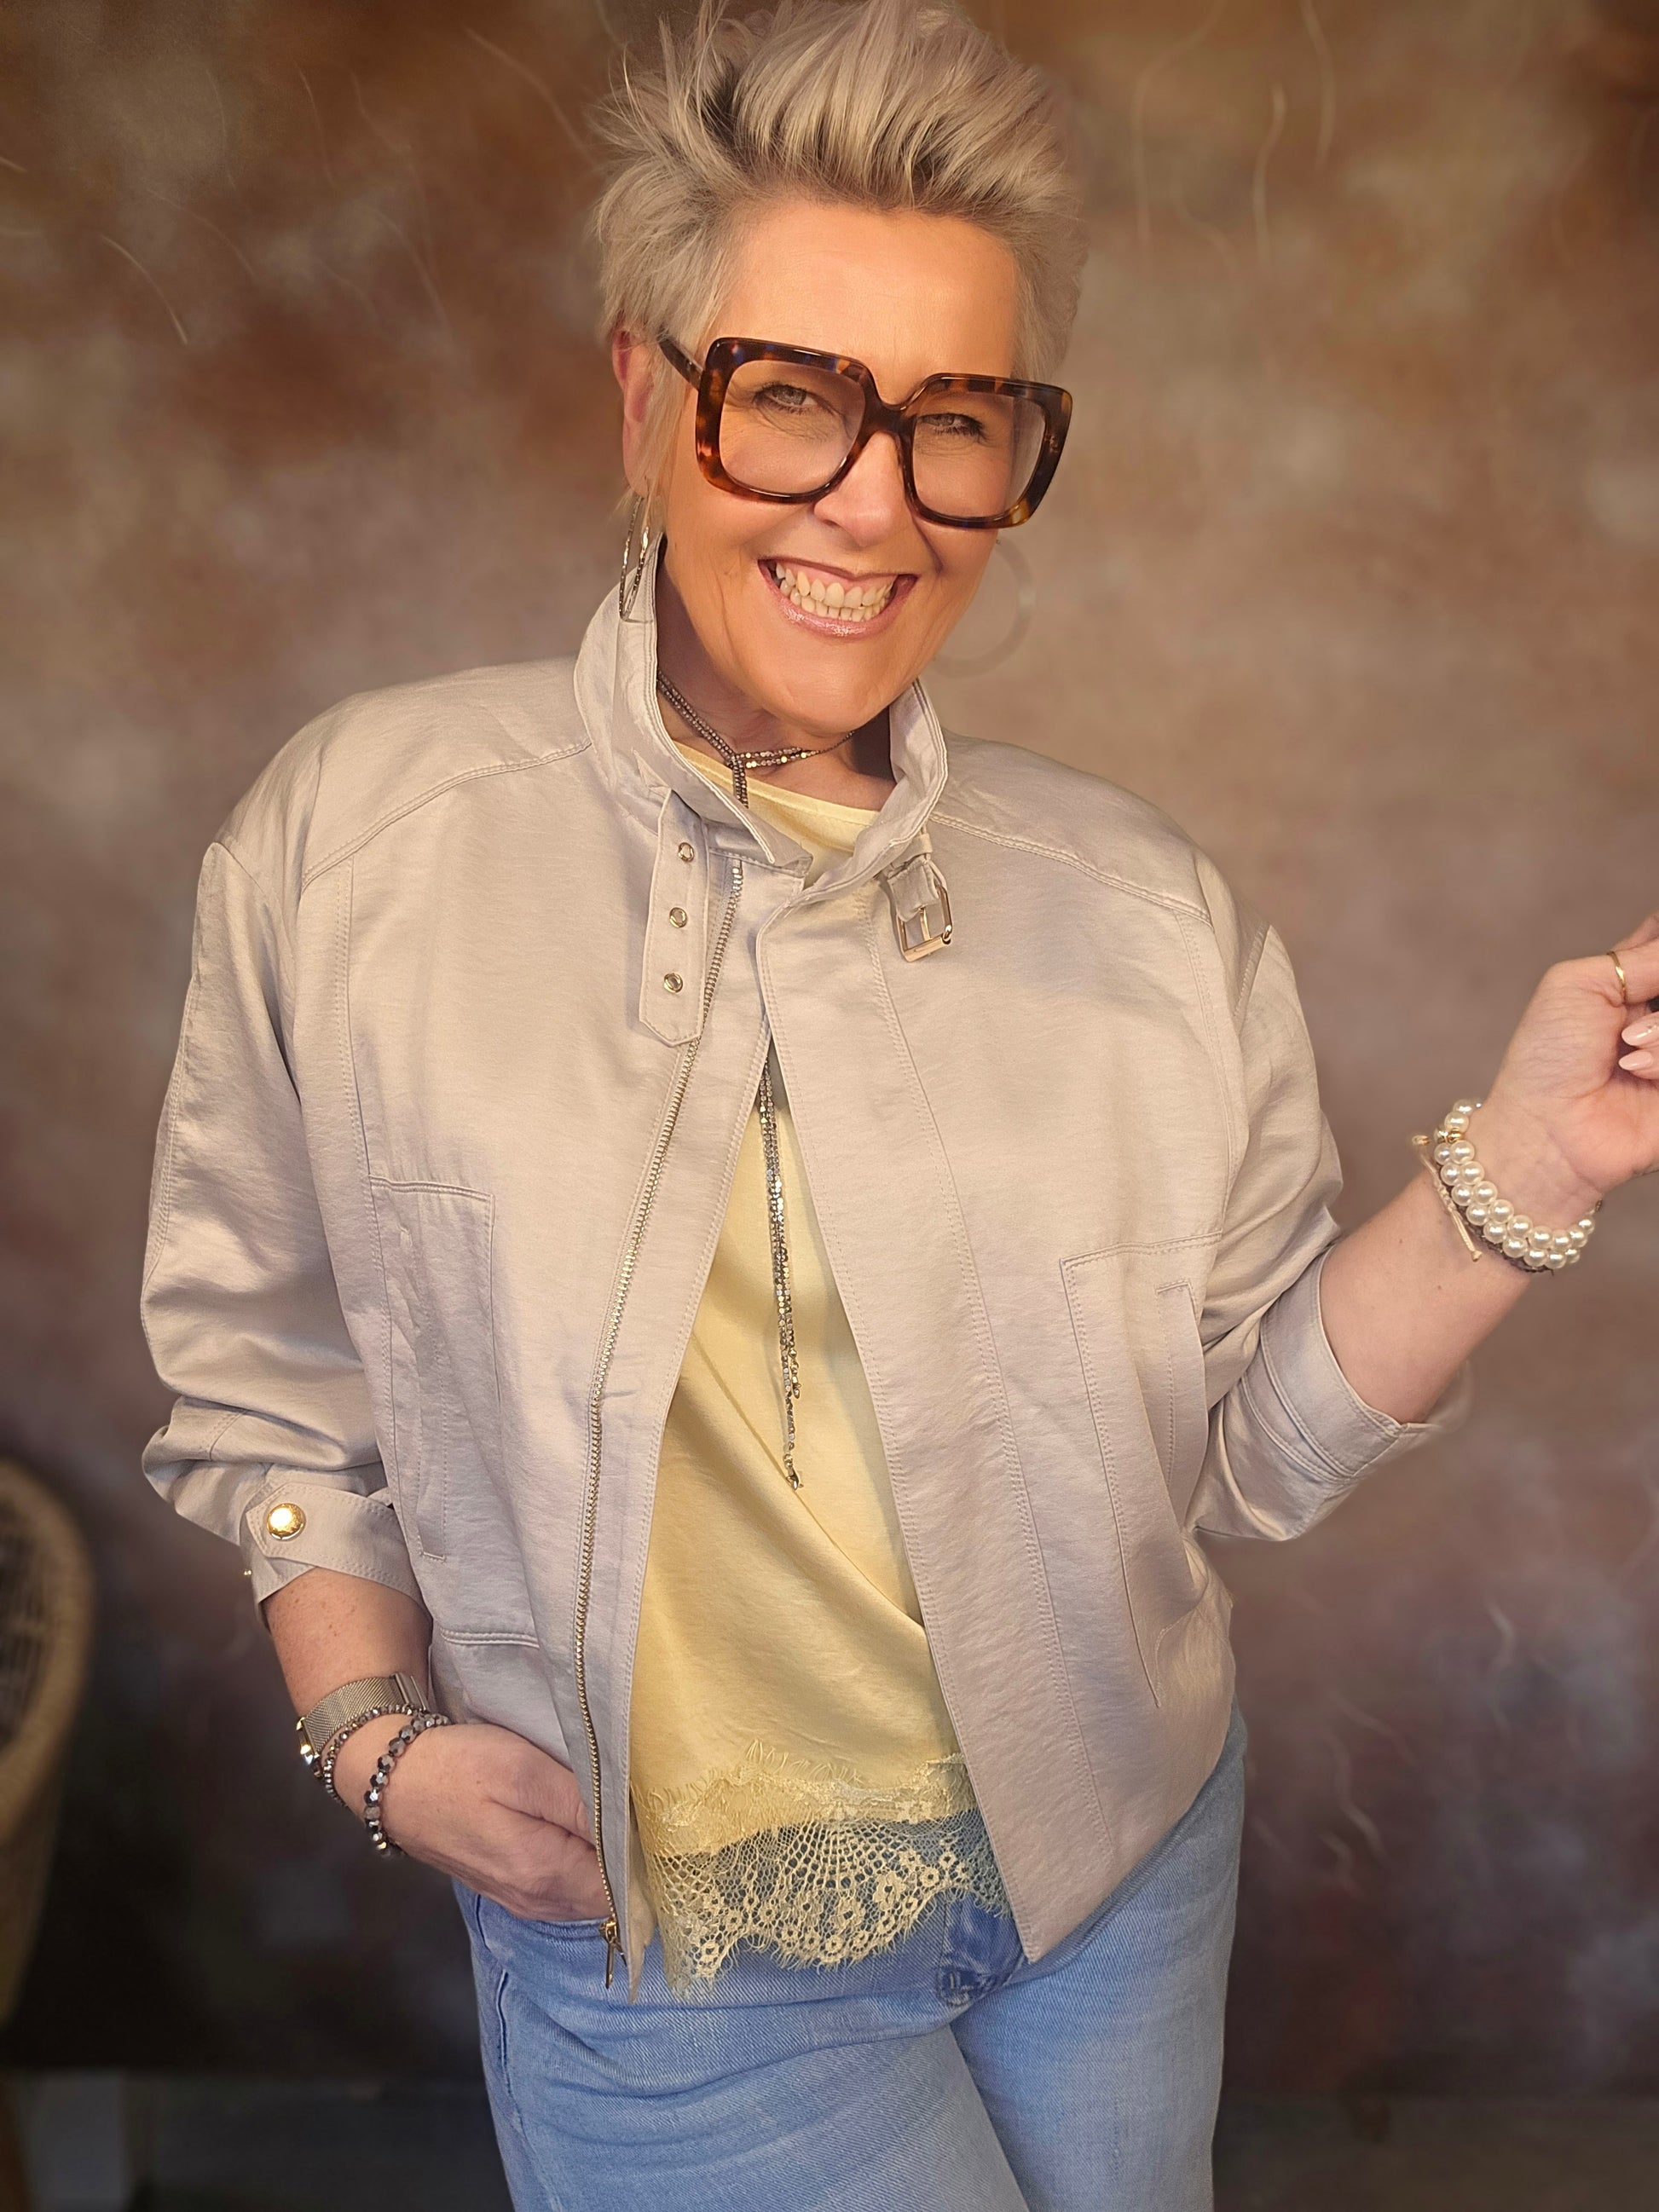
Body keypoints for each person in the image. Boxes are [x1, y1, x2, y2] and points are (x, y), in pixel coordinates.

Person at [138, 3, 1659, 2206]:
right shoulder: (356, 842)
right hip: (663, 1941)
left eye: (956, 422)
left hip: (1115, 1874)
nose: (875, 501)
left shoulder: (1142, 907)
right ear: (645, 396)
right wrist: (369, 1736)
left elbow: (1250, 1448)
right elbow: (264, 1369)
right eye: (792, 397)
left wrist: (1530, 1160)